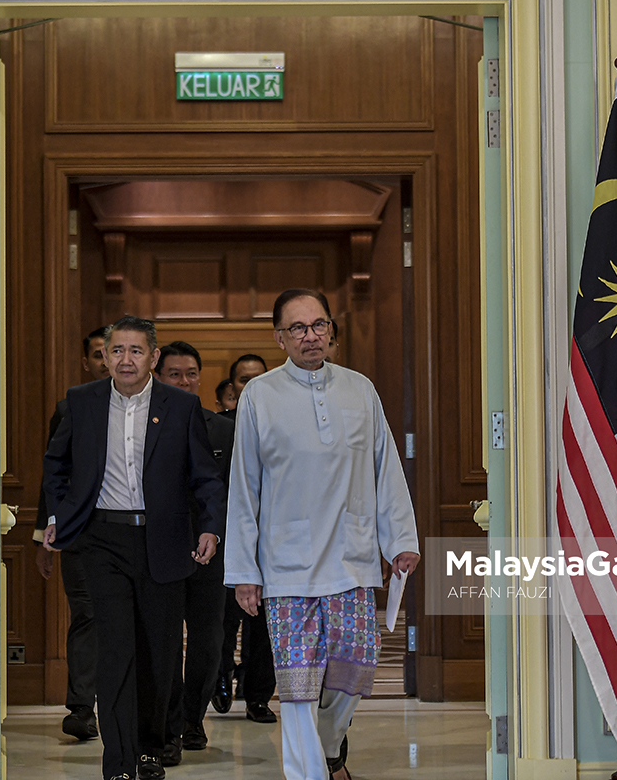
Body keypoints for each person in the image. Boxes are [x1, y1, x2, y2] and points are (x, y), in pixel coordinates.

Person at [224, 289, 420, 780]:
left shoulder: (360, 389)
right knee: (296, 686)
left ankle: (330, 747)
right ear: (279, 338)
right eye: (297, 328)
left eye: (318, 326)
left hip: (350, 558)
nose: (310, 336)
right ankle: (307, 773)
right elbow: (243, 489)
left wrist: (399, 540)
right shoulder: (259, 396)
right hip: (285, 563)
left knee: (352, 675)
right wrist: (245, 571)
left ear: (332, 330)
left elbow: (386, 469)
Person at [42, 316, 227, 780]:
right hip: (102, 540)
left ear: (153, 357)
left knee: (159, 653)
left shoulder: (181, 406)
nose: (126, 359)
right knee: (117, 651)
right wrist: (56, 518)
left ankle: (151, 748)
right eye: (117, 350)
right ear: (104, 356)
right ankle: (119, 761)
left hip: (163, 541)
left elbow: (204, 476)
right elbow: (56, 465)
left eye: (136, 351)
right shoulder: (79, 403)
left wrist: (210, 527)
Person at [152, 341, 234, 765]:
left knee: (208, 640)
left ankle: (192, 719)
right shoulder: (145, 423)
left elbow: (231, 494)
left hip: (211, 550)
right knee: (164, 642)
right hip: (160, 548)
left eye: (190, 374)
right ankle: (168, 724)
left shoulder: (221, 428)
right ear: (158, 375)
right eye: (174, 374)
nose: (184, 381)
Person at [33, 326, 109, 741]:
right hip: (80, 533)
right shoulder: (70, 409)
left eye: (112, 352)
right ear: (87, 362)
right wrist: (45, 535)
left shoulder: (155, 406)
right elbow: (53, 475)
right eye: (98, 354)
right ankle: (82, 708)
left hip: (132, 532)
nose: (106, 360)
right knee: (87, 612)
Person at [213, 354, 278, 725]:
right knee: (224, 621)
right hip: (228, 537)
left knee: (264, 627)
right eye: (242, 379)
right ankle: (220, 675)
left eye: (257, 378)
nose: (250, 385)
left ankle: (257, 696)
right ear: (230, 388)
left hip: (272, 539)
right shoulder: (218, 427)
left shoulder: (280, 422)